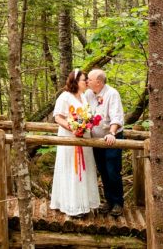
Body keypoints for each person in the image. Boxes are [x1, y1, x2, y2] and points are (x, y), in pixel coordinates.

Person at [50, 69, 100, 217]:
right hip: (69, 138)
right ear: (75, 81)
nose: (86, 82)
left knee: (84, 169)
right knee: (72, 168)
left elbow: (86, 116)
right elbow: (58, 117)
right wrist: (72, 127)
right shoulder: (65, 97)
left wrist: (85, 125)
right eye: (84, 80)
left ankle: (84, 203)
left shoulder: (84, 97)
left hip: (84, 139)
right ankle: (72, 205)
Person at [85, 68, 125, 217]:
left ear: (99, 82)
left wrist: (112, 133)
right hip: (96, 140)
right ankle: (108, 201)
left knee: (112, 170)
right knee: (102, 170)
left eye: (89, 79)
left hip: (111, 138)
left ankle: (118, 203)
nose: (87, 81)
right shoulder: (89, 94)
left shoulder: (112, 93)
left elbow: (117, 116)